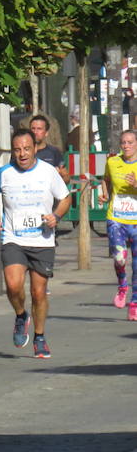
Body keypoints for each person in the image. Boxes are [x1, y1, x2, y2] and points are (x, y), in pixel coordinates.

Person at [0, 129, 72, 358]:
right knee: (13, 286)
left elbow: (65, 197)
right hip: (14, 238)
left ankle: (39, 337)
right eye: (17, 149)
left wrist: (56, 217)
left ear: (35, 149)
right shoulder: (4, 173)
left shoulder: (48, 172)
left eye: (26, 149)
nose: (22, 154)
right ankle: (21, 315)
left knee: (39, 292)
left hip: (42, 240)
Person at [98, 130, 137, 320]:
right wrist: (105, 193)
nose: (126, 146)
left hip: (136, 222)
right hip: (116, 218)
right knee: (119, 257)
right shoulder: (113, 162)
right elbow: (105, 180)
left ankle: (135, 303)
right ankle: (122, 285)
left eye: (130, 142)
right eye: (123, 142)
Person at [28, 114, 71, 184]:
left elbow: (66, 177)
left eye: (39, 129)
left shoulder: (54, 152)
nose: (35, 132)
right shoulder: (23, 152)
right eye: (33, 128)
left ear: (46, 133)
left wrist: (55, 183)